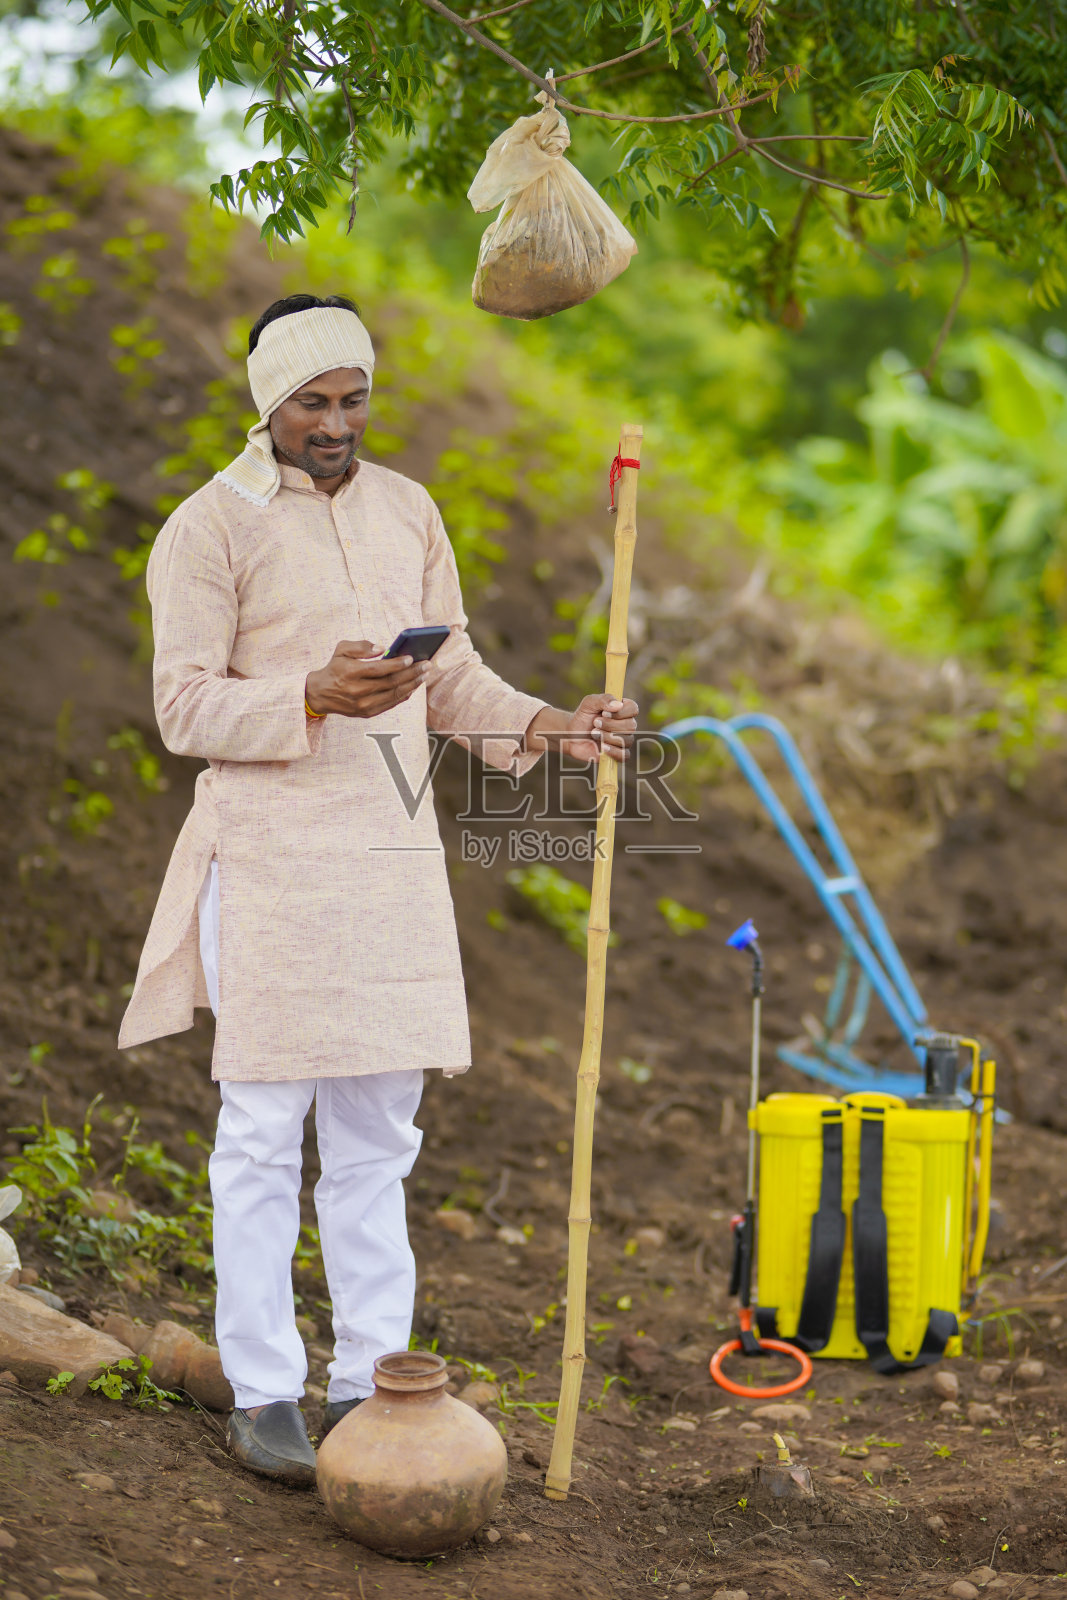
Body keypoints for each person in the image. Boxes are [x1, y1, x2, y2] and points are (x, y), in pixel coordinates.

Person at [118, 294, 638, 1484]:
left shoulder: (409, 509)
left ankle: (367, 1381)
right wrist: (307, 693)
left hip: (391, 862)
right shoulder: (208, 527)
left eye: (353, 400)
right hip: (267, 858)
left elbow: (450, 679)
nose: (337, 423)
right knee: (262, 1135)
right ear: (269, 403)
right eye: (313, 402)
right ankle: (263, 1389)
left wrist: (551, 725)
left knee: (376, 1138)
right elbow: (182, 705)